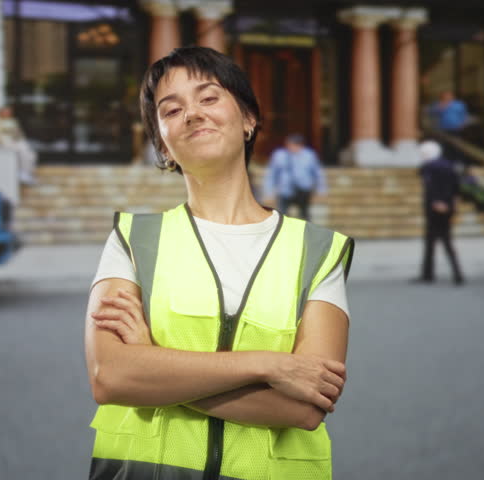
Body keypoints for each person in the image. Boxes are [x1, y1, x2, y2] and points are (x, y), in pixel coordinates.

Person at [85, 47, 354, 480]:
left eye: (209, 98)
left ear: (249, 119)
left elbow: (304, 407)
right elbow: (111, 378)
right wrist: (267, 365)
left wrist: (153, 362)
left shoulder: (320, 253)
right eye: (171, 109)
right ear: (163, 146)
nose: (192, 113)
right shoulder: (132, 241)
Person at [412, 140, 465, 286]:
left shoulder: (430, 167)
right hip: (448, 207)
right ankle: (435, 273)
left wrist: (437, 202)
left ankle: (445, 274)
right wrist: (452, 204)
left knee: (439, 241)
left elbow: (431, 186)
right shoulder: (449, 166)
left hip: (436, 208)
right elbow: (456, 187)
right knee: (437, 241)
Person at [262, 133, 327, 221]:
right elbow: (272, 175)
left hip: (303, 190)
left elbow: (318, 174)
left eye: (296, 145)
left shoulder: (309, 155)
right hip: (285, 190)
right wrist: (269, 192)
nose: (293, 147)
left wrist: (321, 190)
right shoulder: (280, 155)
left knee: (304, 215)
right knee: (282, 216)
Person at [0, 105, 37, 185]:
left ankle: (26, 173)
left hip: (16, 141)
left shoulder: (13, 121)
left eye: (9, 112)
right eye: (6, 111)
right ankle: (21, 172)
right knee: (19, 151)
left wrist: (19, 139)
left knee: (30, 155)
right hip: (5, 141)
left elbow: (19, 133)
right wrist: (3, 140)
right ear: (1, 112)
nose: (8, 113)